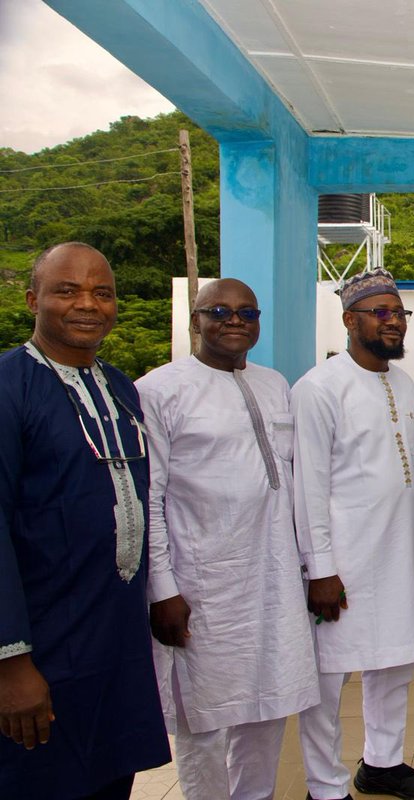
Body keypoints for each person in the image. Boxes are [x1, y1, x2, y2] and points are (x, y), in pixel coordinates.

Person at [136, 279, 319, 799]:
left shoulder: (274, 384)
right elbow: (151, 496)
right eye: (219, 310)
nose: (234, 320)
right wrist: (163, 590)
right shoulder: (159, 390)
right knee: (206, 719)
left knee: (269, 702)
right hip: (203, 584)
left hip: (274, 576)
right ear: (195, 320)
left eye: (247, 312)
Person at [0, 242, 170, 798]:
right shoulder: (8, 386)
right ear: (33, 299)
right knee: (40, 777)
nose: (88, 304)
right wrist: (11, 661)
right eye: (67, 290)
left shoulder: (122, 389)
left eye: (102, 292)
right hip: (42, 641)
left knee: (109, 776)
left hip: (115, 635)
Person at [291, 268, 414, 800]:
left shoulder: (403, 383)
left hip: (397, 550)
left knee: (395, 661)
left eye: (399, 313)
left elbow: (412, 475)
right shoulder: (317, 389)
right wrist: (321, 569)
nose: (394, 323)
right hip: (342, 561)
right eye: (381, 312)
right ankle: (324, 784)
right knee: (328, 677)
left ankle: (381, 763)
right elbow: (307, 487)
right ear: (349, 320)